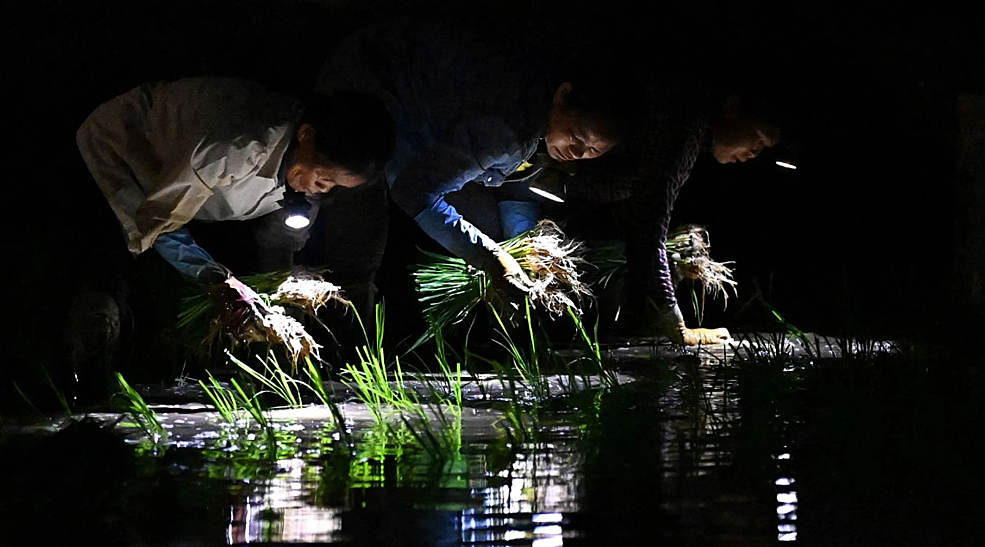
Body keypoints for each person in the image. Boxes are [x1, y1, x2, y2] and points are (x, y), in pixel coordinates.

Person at [70, 77, 394, 389]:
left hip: (192, 198)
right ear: (306, 135)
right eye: (324, 177)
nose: (323, 189)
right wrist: (218, 282)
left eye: (335, 185)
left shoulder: (300, 168)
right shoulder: (235, 146)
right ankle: (82, 391)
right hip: (117, 160)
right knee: (108, 282)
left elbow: (276, 237)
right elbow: (156, 222)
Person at [313, 19, 629, 327]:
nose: (577, 153)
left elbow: (516, 190)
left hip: (424, 110)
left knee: (485, 226)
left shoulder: (544, 123)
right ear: (562, 97)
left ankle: (498, 328)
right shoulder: (505, 128)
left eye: (592, 151)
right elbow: (414, 191)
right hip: (367, 86)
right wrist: (495, 261)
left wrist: (524, 247)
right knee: (360, 230)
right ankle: (342, 350)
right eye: (576, 137)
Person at [560, 82, 783, 345]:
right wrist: (677, 325)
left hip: (569, 193)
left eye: (763, 148)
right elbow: (648, 225)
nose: (755, 152)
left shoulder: (692, 132)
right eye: (757, 137)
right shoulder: (684, 125)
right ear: (732, 108)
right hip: (547, 181)